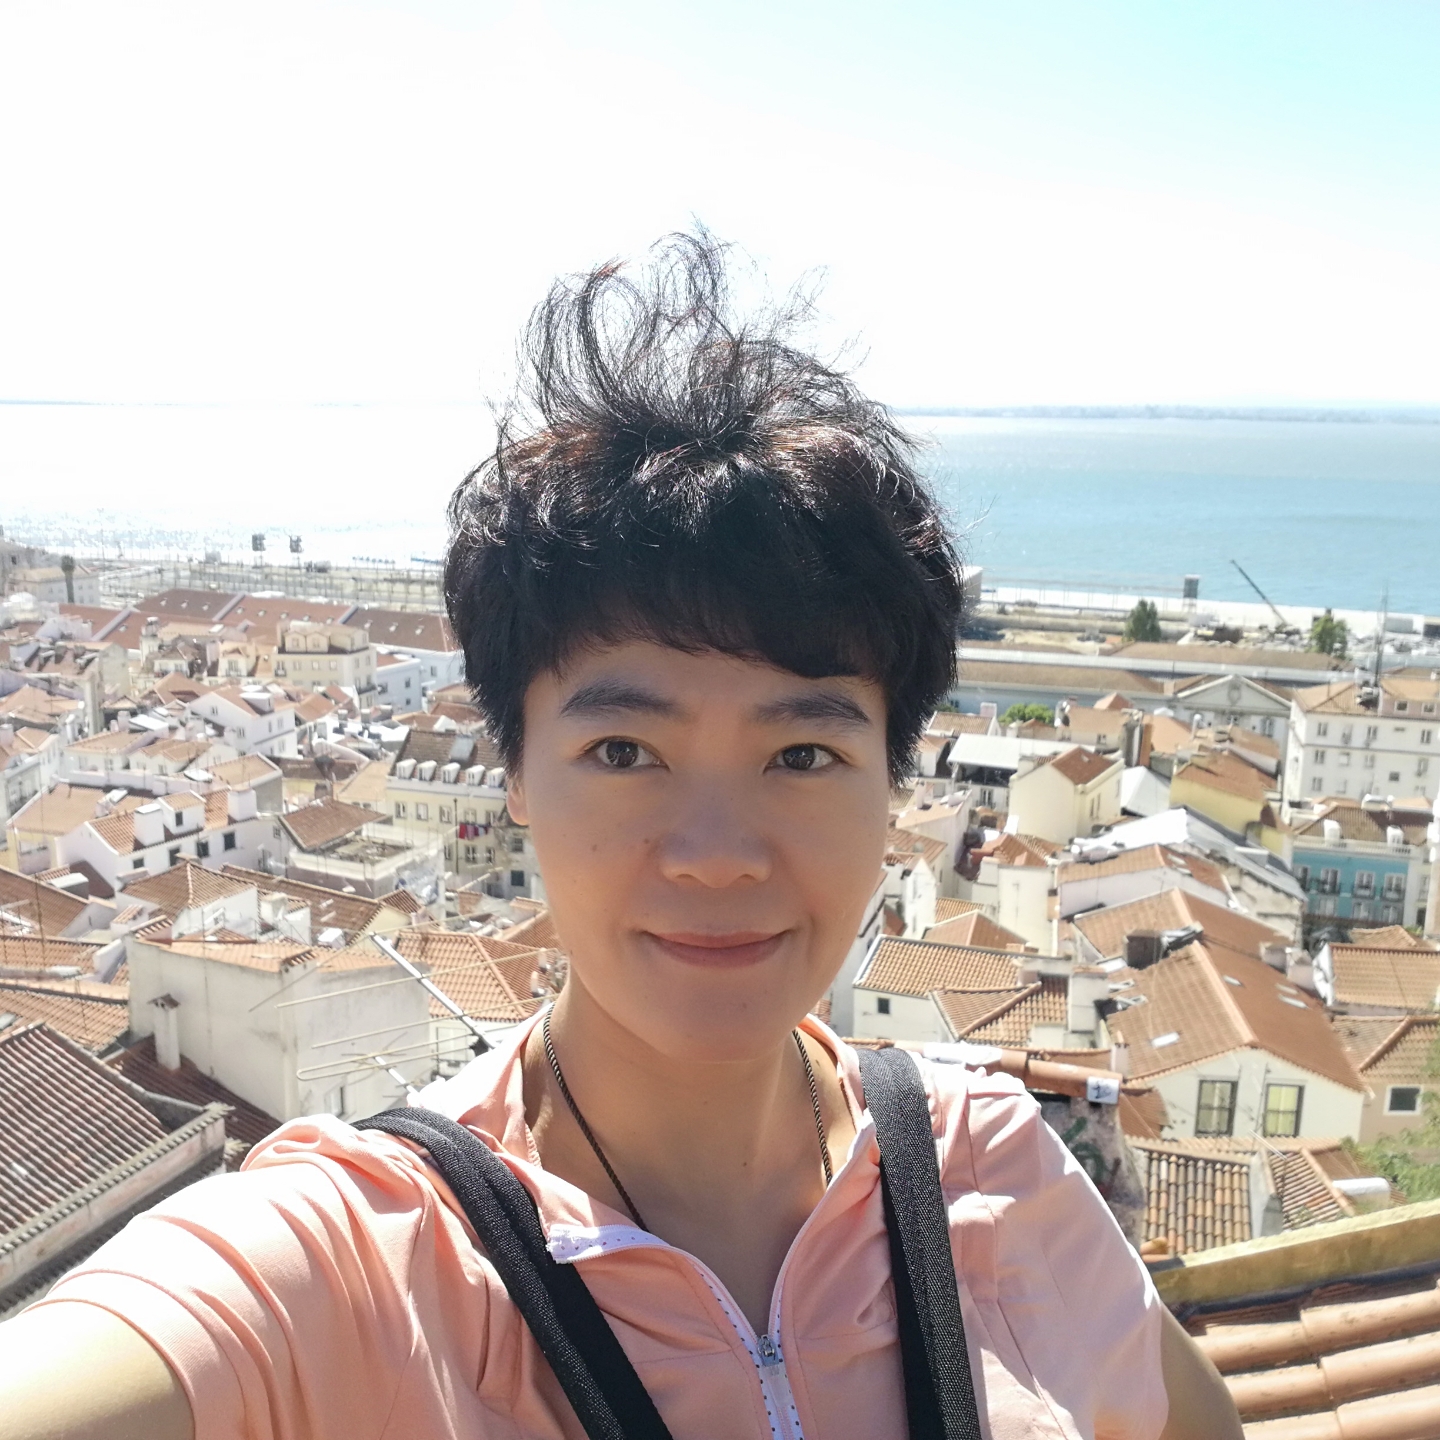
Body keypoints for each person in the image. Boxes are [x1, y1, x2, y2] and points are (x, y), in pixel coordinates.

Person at [0, 234, 1240, 1440]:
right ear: (515, 775)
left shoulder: (1002, 1175)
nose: (717, 854)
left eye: (802, 756)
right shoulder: (354, 1269)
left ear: (893, 787)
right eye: (624, 753)